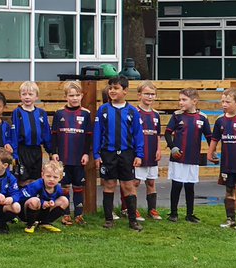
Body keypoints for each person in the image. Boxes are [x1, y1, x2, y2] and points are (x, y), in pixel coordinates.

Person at [94, 76, 145, 231]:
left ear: (125, 91)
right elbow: (97, 133)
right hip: (108, 153)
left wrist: (139, 154)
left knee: (128, 185)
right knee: (109, 184)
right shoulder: (103, 110)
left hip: (126, 153)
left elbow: (138, 134)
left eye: (116, 88)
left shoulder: (133, 111)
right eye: (110, 88)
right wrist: (96, 155)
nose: (112, 91)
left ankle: (132, 220)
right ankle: (109, 219)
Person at [164, 88, 210, 223]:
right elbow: (167, 133)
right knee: (176, 185)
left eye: (184, 100)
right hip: (178, 158)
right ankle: (173, 213)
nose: (180, 102)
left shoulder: (203, 117)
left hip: (193, 158)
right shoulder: (177, 115)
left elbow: (209, 136)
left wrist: (212, 151)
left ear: (194, 101)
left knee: (190, 187)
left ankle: (190, 214)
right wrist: (172, 147)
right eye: (179, 99)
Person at [51, 82, 92, 225]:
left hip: (78, 158)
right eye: (71, 95)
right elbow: (54, 135)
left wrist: (86, 153)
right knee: (64, 187)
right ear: (66, 97)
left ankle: (79, 214)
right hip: (63, 158)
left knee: (78, 186)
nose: (74, 98)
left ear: (81, 96)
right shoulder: (59, 113)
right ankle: (66, 214)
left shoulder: (86, 114)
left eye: (77, 95)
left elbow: (88, 136)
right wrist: (54, 152)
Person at [209, 89, 236, 230]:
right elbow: (215, 138)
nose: (224, 104)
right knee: (229, 189)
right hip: (227, 163)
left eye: (227, 102)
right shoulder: (220, 120)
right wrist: (210, 152)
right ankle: (230, 219)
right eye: (222, 101)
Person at [12, 81, 53, 186]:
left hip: (37, 150)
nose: (27, 97)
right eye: (24, 94)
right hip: (23, 150)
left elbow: (46, 133)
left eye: (30, 94)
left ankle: (34, 196)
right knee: (23, 179)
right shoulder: (17, 112)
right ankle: (22, 196)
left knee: (36, 178)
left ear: (36, 96)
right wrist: (15, 154)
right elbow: (14, 134)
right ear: (20, 96)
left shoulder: (41, 113)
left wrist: (51, 151)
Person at [135, 81, 163, 220]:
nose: (150, 96)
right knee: (135, 182)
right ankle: (132, 210)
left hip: (152, 152)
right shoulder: (135, 113)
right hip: (139, 153)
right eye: (146, 93)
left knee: (151, 182)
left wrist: (159, 149)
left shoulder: (156, 115)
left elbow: (157, 134)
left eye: (152, 94)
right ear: (139, 95)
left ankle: (152, 209)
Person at [17, 160, 69, 234]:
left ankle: (45, 222)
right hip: (26, 212)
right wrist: (42, 202)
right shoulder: (36, 185)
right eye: (48, 176)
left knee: (64, 200)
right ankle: (30, 224)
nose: (51, 179)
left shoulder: (58, 189)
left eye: (55, 177)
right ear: (42, 175)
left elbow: (54, 199)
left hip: (42, 211)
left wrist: (51, 202)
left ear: (60, 178)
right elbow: (21, 197)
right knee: (35, 201)